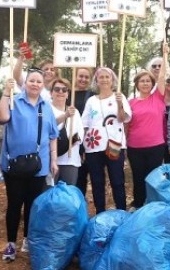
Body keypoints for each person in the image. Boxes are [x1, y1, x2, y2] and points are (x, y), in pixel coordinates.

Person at [0, 71, 59, 261]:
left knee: (32, 204)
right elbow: (2, 117)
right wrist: (6, 93)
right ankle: (11, 243)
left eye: (39, 81)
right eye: (31, 80)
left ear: (43, 85)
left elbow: (53, 136)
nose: (35, 84)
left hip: (39, 164)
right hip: (14, 163)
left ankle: (27, 239)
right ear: (25, 83)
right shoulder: (14, 101)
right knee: (14, 203)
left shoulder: (46, 107)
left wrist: (54, 160)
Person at [82, 67, 132, 213]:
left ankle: (121, 212)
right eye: (101, 77)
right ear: (96, 81)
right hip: (93, 145)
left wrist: (120, 104)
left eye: (107, 77)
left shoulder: (119, 97)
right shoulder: (91, 100)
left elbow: (123, 119)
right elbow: (84, 124)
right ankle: (100, 213)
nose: (104, 80)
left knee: (117, 180)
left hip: (114, 144)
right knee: (97, 181)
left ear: (112, 80)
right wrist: (81, 147)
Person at [127, 51, 168, 208]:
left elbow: (162, 77)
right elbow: (126, 124)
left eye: (148, 81)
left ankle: (154, 207)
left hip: (155, 146)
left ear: (152, 83)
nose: (145, 83)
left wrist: (165, 55)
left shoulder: (158, 97)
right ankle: (138, 205)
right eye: (142, 81)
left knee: (154, 179)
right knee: (138, 178)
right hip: (134, 147)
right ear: (137, 84)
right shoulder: (130, 103)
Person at [50, 78, 83, 187]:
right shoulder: (46, 109)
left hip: (70, 160)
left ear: (68, 94)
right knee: (49, 192)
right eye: (57, 89)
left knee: (67, 193)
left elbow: (80, 134)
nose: (60, 92)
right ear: (51, 93)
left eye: (64, 90)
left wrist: (68, 145)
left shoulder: (75, 112)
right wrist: (65, 116)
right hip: (50, 160)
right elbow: (47, 127)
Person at [72, 66, 96, 195]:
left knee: (82, 174)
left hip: (86, 138)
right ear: (75, 76)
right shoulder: (67, 93)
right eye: (81, 76)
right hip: (70, 138)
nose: (83, 79)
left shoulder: (93, 96)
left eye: (87, 77)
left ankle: (80, 200)